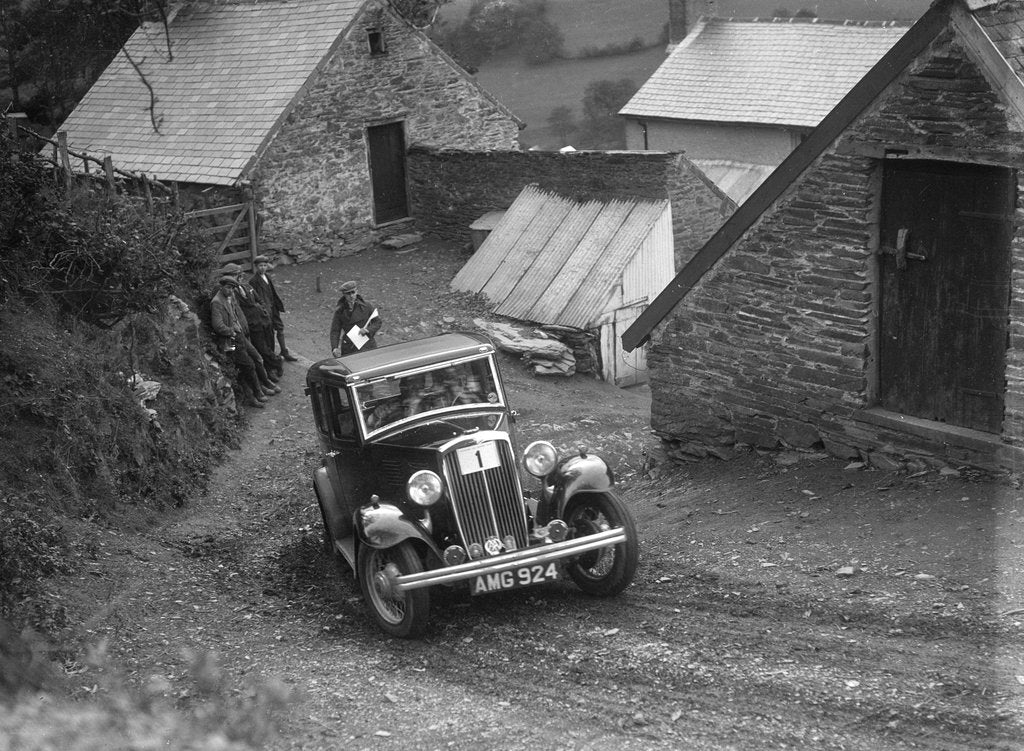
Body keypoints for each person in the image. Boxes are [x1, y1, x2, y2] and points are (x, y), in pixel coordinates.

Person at [211, 266, 280, 407]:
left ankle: (262, 385)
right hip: (229, 341)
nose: (231, 291)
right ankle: (253, 395)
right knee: (244, 366)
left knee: (257, 358)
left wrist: (241, 327)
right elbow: (218, 325)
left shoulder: (230, 296)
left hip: (240, 335)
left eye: (232, 288)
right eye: (228, 288)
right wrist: (232, 330)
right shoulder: (217, 302)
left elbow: (236, 315)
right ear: (222, 286)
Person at [234, 262, 282, 381]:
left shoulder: (248, 287)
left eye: (240, 275)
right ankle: (275, 364)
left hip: (264, 320)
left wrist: (264, 311)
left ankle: (272, 367)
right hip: (252, 324)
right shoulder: (233, 292)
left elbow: (259, 299)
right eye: (236, 276)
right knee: (261, 348)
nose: (239, 278)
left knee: (269, 344)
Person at [249, 254, 298, 362]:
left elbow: (272, 293)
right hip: (265, 311)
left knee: (280, 328)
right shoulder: (253, 281)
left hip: (273, 308)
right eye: (260, 266)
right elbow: (255, 298)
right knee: (269, 333)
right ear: (256, 267)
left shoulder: (267, 277)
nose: (263, 268)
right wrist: (262, 309)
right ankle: (271, 356)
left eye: (265, 265)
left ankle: (284, 351)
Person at [330, 281, 381, 357]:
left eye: (353, 292)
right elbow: (335, 330)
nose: (351, 296)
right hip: (349, 346)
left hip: (366, 344)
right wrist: (335, 348)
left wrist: (368, 330)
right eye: (348, 293)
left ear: (356, 291)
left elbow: (377, 322)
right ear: (344, 294)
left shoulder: (367, 306)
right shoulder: (340, 310)